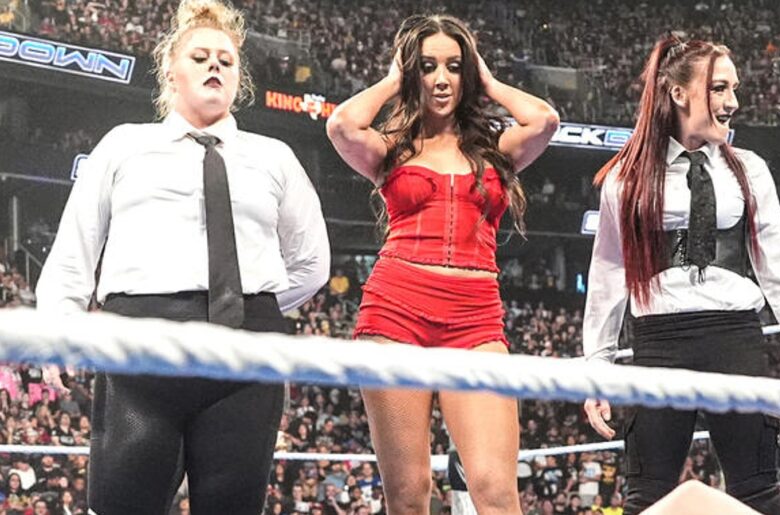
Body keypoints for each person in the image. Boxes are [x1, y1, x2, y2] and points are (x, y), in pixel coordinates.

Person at [35, 0, 330, 512]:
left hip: (245, 352)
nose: (215, 65)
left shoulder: (274, 157)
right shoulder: (124, 145)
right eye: (200, 57)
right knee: (121, 505)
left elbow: (311, 262)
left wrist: (245, 306)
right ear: (170, 72)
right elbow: (74, 248)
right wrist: (57, 331)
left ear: (239, 78)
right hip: (140, 343)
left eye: (226, 60)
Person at [581, 36, 780, 515]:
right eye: (719, 88)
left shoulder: (750, 171)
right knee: (645, 497)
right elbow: (608, 276)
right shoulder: (627, 179)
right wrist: (598, 368)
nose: (732, 101)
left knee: (760, 493)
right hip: (659, 342)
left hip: (734, 336)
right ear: (679, 93)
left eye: (733, 88)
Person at [326, 13, 558, 514]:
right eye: (428, 66)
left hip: (476, 320)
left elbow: (544, 120)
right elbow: (342, 125)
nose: (441, 78)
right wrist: (393, 78)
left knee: (496, 492)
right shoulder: (390, 150)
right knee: (409, 497)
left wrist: (489, 81)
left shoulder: (496, 150)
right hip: (395, 313)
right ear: (412, 72)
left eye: (454, 66)